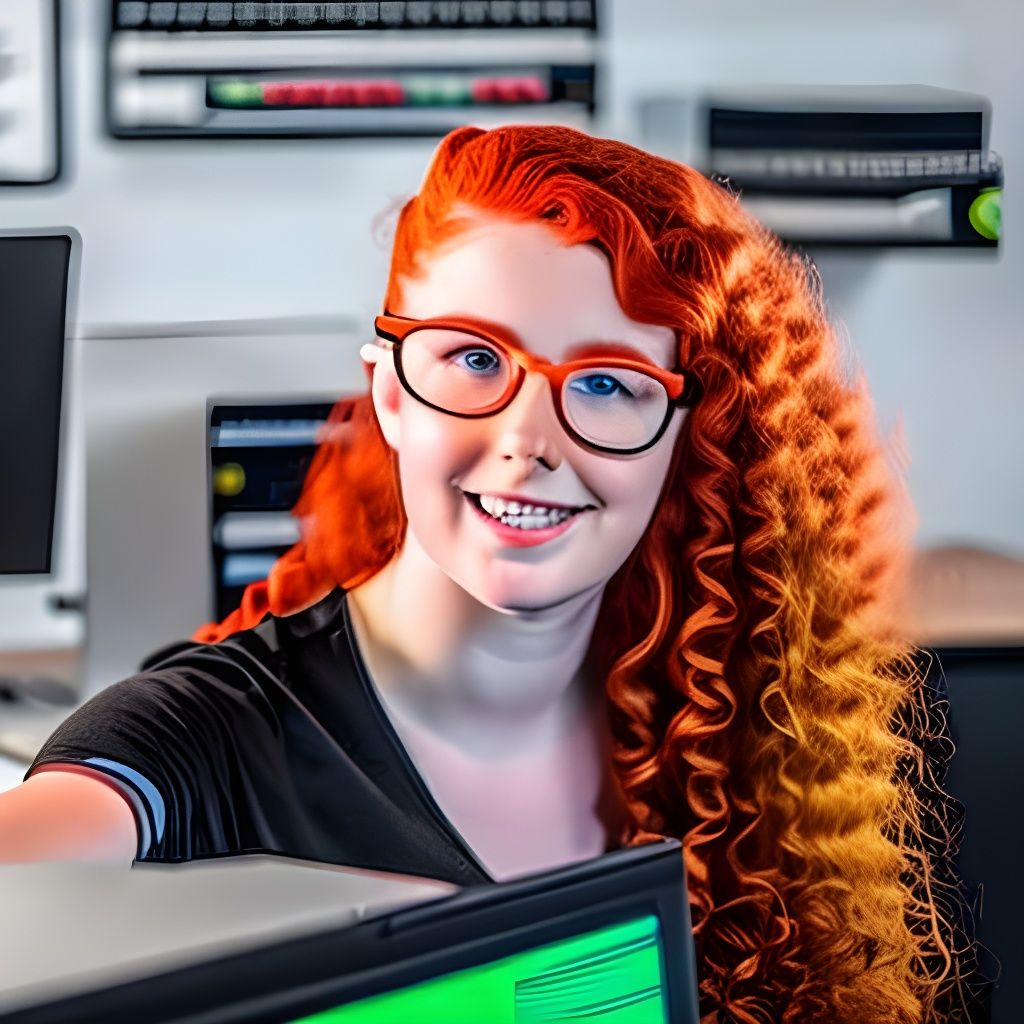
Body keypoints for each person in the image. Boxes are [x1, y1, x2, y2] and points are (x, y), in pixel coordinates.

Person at [0, 125, 992, 1022]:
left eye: (604, 384)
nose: (527, 443)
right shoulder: (193, 740)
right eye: (474, 360)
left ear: (683, 439)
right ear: (391, 395)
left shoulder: (732, 720)